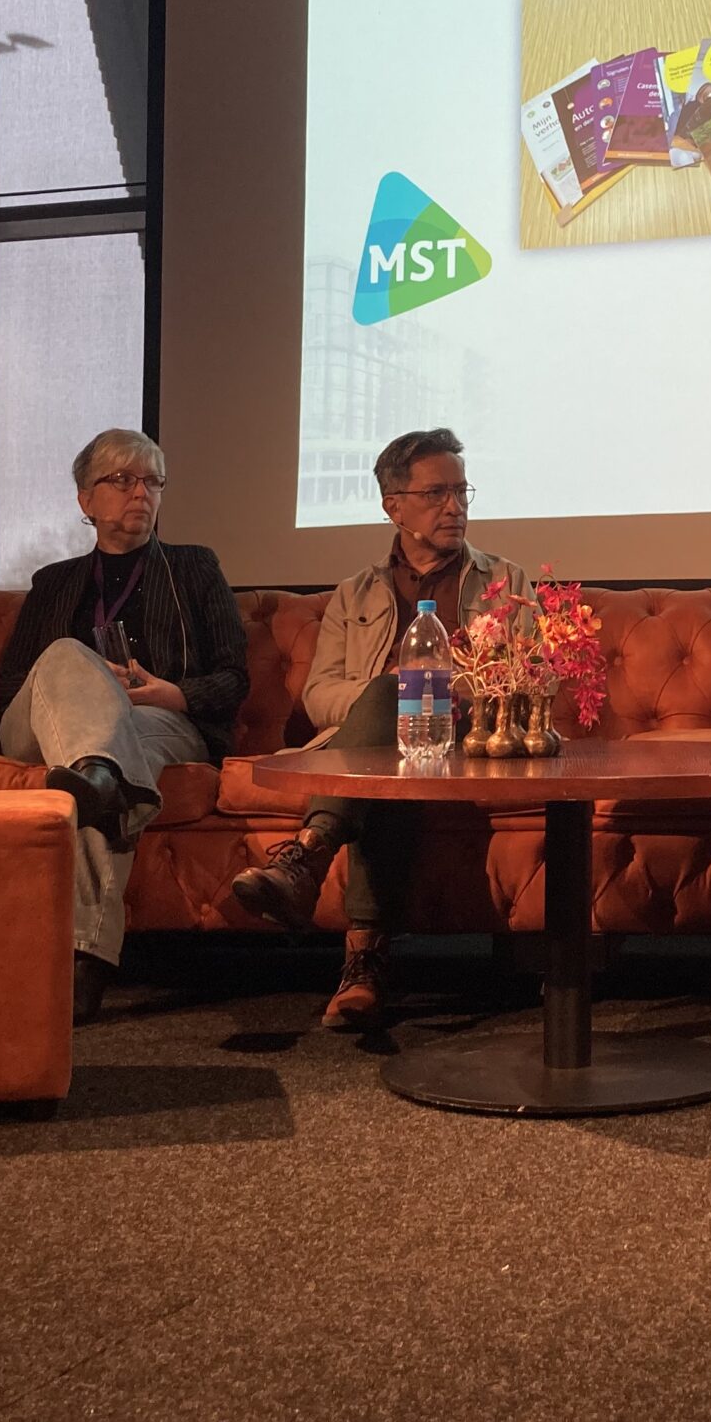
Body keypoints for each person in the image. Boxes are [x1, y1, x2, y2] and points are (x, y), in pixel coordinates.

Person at [219, 427, 527, 1030]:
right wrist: (388, 699)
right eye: (436, 494)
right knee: (387, 743)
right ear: (394, 506)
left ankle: (313, 862)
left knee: (396, 707)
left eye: (462, 491)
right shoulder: (354, 593)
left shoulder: (505, 583)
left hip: (466, 738)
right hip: (382, 748)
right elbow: (320, 694)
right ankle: (363, 966)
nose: (455, 507)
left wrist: (422, 691)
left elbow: (521, 680)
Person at [0, 429, 249, 1022]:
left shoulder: (195, 568)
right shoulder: (54, 581)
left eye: (151, 481)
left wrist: (171, 692)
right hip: (44, 726)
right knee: (67, 655)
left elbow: (232, 677)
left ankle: (85, 950)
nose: (140, 493)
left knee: (110, 763)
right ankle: (97, 767)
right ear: (85, 499)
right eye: (121, 480)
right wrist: (88, 684)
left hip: (161, 720)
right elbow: (10, 684)